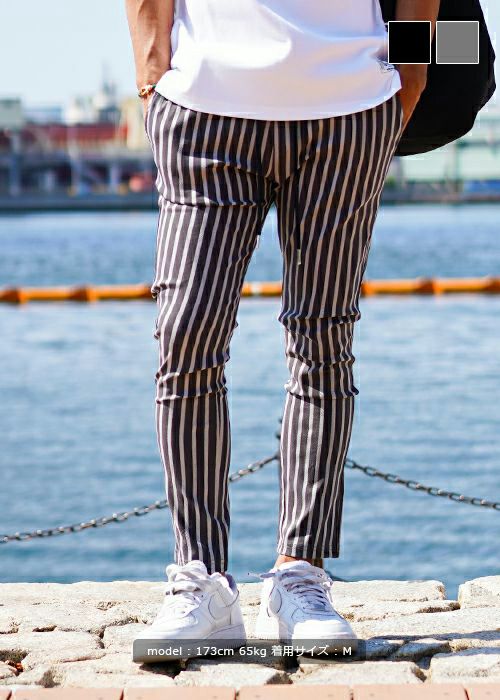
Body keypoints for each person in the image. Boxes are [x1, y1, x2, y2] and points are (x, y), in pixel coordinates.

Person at [126, 0, 439, 650]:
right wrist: (152, 73)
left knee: (322, 339)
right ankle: (200, 579)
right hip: (202, 108)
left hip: (350, 108)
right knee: (185, 334)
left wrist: (411, 73)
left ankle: (301, 576)